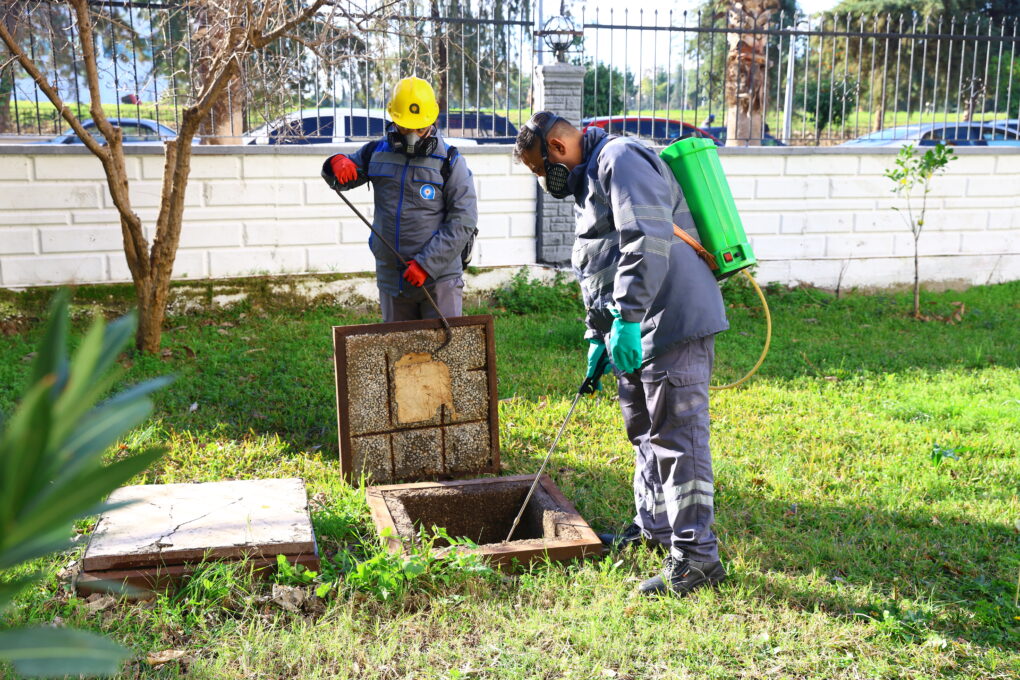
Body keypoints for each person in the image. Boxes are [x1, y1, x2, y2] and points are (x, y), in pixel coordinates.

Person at [513, 112, 730, 597]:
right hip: (635, 328)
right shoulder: (588, 182)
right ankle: (654, 529)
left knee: (678, 439)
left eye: (539, 168)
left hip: (671, 318)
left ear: (557, 146)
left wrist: (627, 318)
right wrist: (597, 334)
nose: (543, 180)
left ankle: (697, 559)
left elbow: (645, 240)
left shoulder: (621, 158)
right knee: (644, 430)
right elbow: (599, 262)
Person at [321, 77, 478, 322]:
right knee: (399, 354)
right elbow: (342, 178)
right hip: (393, 278)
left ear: (432, 120)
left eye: (420, 128)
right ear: (394, 119)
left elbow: (463, 221)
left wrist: (427, 265)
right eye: (406, 128)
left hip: (439, 280)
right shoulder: (375, 152)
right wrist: (335, 163)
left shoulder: (450, 161)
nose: (412, 136)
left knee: (443, 354)